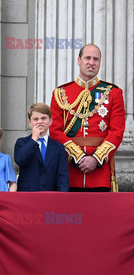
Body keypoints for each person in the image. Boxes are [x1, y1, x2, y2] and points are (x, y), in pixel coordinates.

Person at [50, 44, 126, 192]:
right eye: (87, 58)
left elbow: (116, 132)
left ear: (100, 63)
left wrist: (96, 159)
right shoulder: (61, 93)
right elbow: (55, 131)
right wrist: (78, 157)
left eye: (96, 59)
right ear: (79, 60)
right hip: (69, 172)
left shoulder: (113, 93)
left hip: (100, 173)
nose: (91, 62)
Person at [14, 103, 69, 191]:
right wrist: (33, 140)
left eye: (43, 118)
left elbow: (62, 175)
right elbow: (20, 160)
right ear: (30, 123)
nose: (40, 122)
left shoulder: (58, 147)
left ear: (50, 121)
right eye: (35, 119)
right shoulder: (22, 142)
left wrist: (62, 196)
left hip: (50, 194)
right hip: (27, 194)